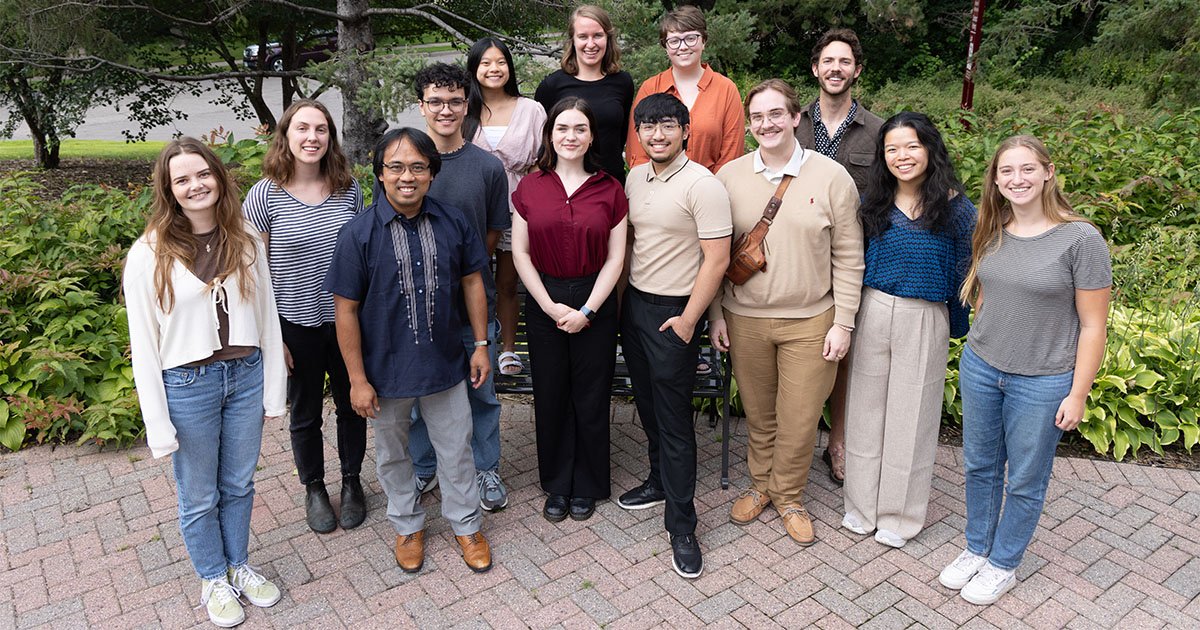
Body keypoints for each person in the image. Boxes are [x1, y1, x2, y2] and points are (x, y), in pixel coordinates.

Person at [939, 135, 1110, 605]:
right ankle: (977, 548)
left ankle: (1004, 562)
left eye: (1027, 169)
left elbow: (1094, 326)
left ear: (1048, 172)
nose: (1017, 179)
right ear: (995, 179)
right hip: (981, 367)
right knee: (980, 465)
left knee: (1027, 478)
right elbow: (984, 290)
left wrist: (1077, 394)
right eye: (1006, 171)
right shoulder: (992, 228)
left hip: (1043, 380)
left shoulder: (1080, 239)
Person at [124, 137, 286, 627]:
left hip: (244, 376)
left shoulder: (246, 241)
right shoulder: (149, 254)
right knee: (198, 492)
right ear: (169, 190)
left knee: (238, 482)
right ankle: (212, 576)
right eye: (182, 179)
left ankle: (238, 565)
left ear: (218, 177)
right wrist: (157, 424)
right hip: (187, 384)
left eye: (203, 174)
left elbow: (268, 319)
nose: (195, 185)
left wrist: (273, 391)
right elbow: (144, 345)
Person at [324, 127, 495, 574]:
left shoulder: (452, 221)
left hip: (445, 365)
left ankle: (466, 525)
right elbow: (345, 311)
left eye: (418, 167)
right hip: (385, 374)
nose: (407, 176)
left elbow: (474, 281)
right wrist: (357, 381)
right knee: (393, 455)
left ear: (432, 174)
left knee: (457, 449)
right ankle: (407, 525)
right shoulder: (357, 233)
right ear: (379, 174)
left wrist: (480, 345)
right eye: (395, 167)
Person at [710, 79, 864, 547]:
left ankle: (789, 495)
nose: (767, 124)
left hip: (812, 320)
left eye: (776, 114)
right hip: (745, 318)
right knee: (759, 415)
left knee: (798, 419)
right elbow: (714, 256)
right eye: (757, 116)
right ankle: (761, 486)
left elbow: (849, 255)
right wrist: (716, 314)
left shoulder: (832, 177)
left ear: (797, 118)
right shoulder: (729, 178)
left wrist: (844, 322)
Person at [840, 112, 977, 549]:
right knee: (864, 413)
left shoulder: (955, 207)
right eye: (892, 148)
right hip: (873, 309)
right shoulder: (872, 202)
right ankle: (861, 508)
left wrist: (954, 324)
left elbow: (965, 270)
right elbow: (852, 260)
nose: (902, 156)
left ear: (929, 149)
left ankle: (899, 517)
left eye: (911, 146)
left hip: (925, 315)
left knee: (912, 416)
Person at [618, 93, 731, 579]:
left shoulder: (703, 185)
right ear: (638, 134)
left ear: (685, 130)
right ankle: (658, 481)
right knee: (647, 406)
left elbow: (718, 259)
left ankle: (682, 526)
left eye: (667, 125)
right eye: (648, 126)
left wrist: (690, 320)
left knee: (674, 420)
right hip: (637, 307)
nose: (657, 134)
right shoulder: (635, 177)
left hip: (674, 314)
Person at [242, 99, 367, 535]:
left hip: (347, 320)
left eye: (320, 129)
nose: (311, 137)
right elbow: (254, 274)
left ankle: (352, 482)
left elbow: (361, 257)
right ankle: (314, 487)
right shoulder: (263, 196)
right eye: (302, 129)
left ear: (330, 137)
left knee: (353, 406)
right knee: (305, 411)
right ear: (286, 136)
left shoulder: (349, 189)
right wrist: (271, 337)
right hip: (294, 324)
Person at [510, 97, 628, 524]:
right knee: (552, 393)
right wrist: (548, 305)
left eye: (580, 128)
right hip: (545, 297)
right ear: (550, 135)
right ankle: (558, 484)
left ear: (592, 135)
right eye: (562, 128)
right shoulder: (530, 187)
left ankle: (590, 483)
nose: (570, 136)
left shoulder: (610, 188)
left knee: (592, 395)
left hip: (594, 297)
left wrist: (588, 311)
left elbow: (616, 258)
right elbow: (520, 253)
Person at [404, 62, 511, 511]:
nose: (445, 109)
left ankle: (486, 469)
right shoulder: (404, 162)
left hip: (472, 301)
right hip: (415, 304)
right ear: (421, 106)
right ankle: (424, 467)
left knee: (480, 391)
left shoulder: (487, 167)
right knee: (416, 395)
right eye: (435, 101)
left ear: (466, 104)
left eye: (453, 101)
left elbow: (489, 236)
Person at [795, 27, 885, 487]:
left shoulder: (877, 129)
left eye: (844, 62)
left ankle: (839, 442)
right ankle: (795, 442)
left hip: (855, 257)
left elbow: (893, 191)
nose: (835, 69)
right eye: (828, 61)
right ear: (815, 69)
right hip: (801, 258)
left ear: (856, 70)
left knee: (844, 352)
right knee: (801, 349)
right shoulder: (793, 124)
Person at [463, 38, 548, 378]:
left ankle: (508, 351)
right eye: (485, 63)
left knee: (509, 283)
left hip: (518, 208)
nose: (494, 68)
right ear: (474, 69)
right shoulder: (463, 109)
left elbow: (545, 161)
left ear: (509, 67)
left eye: (500, 62)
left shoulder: (531, 109)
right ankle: (476, 344)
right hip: (475, 211)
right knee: (473, 280)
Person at [624, 5, 744, 174]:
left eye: (691, 38)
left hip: (710, 192)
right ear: (665, 47)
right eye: (674, 41)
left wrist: (707, 190)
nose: (683, 47)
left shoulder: (726, 90)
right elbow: (637, 152)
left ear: (704, 41)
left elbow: (731, 155)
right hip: (658, 192)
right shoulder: (650, 88)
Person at [535, 4, 635, 183]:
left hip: (611, 183)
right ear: (572, 40)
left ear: (608, 38)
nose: (591, 44)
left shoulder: (623, 82)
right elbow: (543, 142)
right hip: (565, 185)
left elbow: (620, 136)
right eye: (583, 36)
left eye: (598, 35)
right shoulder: (551, 86)